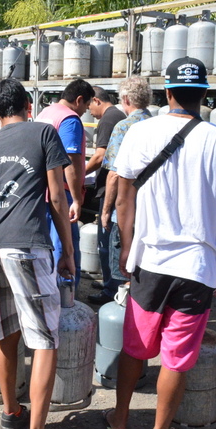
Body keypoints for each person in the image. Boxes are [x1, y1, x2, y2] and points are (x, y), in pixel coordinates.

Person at [105, 57, 216, 429]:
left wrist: (126, 246)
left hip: (149, 262)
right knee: (176, 357)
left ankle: (119, 419)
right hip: (198, 267)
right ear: (204, 94)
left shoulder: (140, 133)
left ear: (166, 93)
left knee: (135, 346)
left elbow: (123, 199)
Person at [0, 78, 74, 429]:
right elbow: (58, 197)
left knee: (6, 332)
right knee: (45, 339)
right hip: (28, 245)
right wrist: (66, 249)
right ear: (27, 106)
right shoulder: (44, 133)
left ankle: (10, 412)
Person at [35, 79, 94, 287]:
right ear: (78, 100)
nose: (85, 110)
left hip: (41, 191)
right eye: (86, 106)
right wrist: (77, 199)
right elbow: (71, 162)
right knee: (65, 246)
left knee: (47, 247)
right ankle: (65, 300)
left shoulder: (44, 114)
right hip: (61, 194)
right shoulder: (70, 119)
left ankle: (49, 292)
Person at [99, 77, 153, 293]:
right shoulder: (156, 124)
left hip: (125, 210)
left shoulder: (124, 127)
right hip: (150, 209)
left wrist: (105, 211)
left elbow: (114, 175)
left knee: (122, 270)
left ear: (126, 99)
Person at [85, 86, 125, 305]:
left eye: (89, 105)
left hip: (111, 189)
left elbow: (100, 156)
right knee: (107, 241)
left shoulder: (109, 120)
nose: (89, 111)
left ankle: (110, 290)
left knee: (107, 240)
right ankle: (109, 281)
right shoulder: (116, 116)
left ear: (96, 100)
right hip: (113, 188)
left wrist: (80, 174)